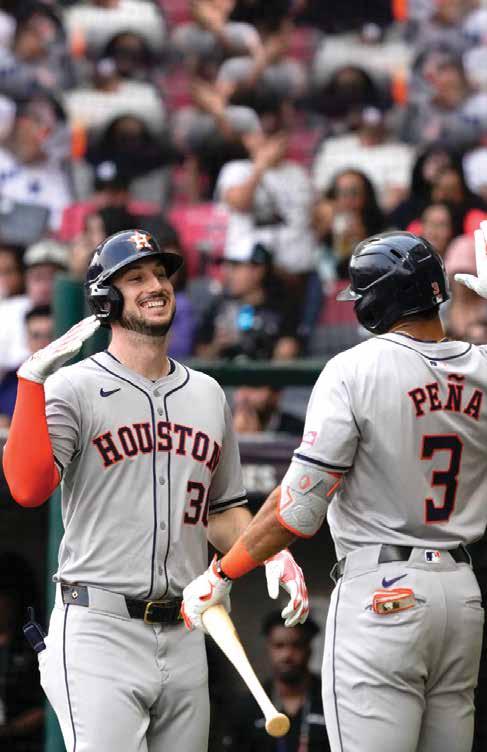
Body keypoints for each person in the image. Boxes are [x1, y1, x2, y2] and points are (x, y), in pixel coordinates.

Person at [2, 228, 308, 752]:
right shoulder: (74, 387)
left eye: (161, 274)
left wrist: (269, 551)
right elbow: (28, 489)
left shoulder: (207, 393)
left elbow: (221, 511)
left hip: (187, 628)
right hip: (100, 626)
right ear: (105, 298)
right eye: (136, 278)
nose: (155, 285)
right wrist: (31, 385)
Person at [182, 227, 487, 752]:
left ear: (374, 303)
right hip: (462, 594)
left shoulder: (354, 368)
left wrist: (223, 571)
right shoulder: (481, 366)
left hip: (383, 591)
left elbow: (298, 509)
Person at [223, 610, 330, 751]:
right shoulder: (248, 707)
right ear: (268, 648)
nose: (287, 655)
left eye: (296, 645)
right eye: (279, 646)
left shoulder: (331, 702)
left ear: (309, 649)